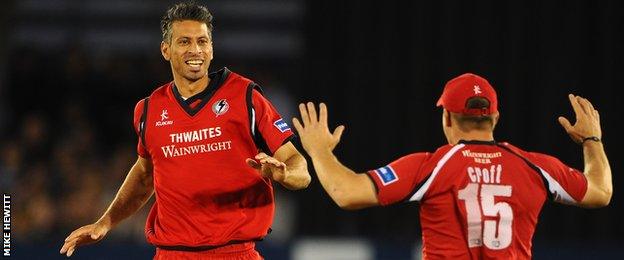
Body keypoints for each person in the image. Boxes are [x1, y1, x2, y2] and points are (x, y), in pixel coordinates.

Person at [60, 2, 310, 259]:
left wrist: (284, 174)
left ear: (211, 49)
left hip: (235, 253)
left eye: (203, 41)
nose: (196, 50)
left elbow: (299, 167)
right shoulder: (148, 110)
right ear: (165, 50)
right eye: (184, 42)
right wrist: (105, 222)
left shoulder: (245, 96)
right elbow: (145, 174)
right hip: (171, 254)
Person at [292, 73, 612, 259]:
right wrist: (591, 141)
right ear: (495, 118)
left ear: (446, 118)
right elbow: (600, 192)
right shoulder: (534, 166)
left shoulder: (433, 165)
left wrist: (319, 151)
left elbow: (346, 193)